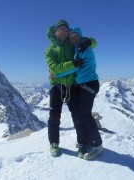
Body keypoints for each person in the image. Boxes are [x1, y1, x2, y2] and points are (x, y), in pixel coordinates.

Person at [52, 26, 103, 160]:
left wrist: (56, 74)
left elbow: (73, 68)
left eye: (75, 35)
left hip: (89, 84)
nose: (73, 38)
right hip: (83, 85)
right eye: (71, 37)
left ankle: (97, 145)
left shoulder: (82, 47)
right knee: (82, 114)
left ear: (79, 35)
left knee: (85, 114)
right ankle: (87, 142)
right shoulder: (77, 48)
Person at [45, 20, 91, 157]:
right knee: (54, 116)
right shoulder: (50, 50)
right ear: (55, 32)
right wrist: (73, 64)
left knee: (77, 115)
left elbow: (93, 43)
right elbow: (54, 68)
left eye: (65, 30)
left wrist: (87, 41)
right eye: (60, 30)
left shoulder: (72, 45)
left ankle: (82, 144)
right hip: (57, 86)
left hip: (71, 85)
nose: (63, 32)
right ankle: (54, 143)